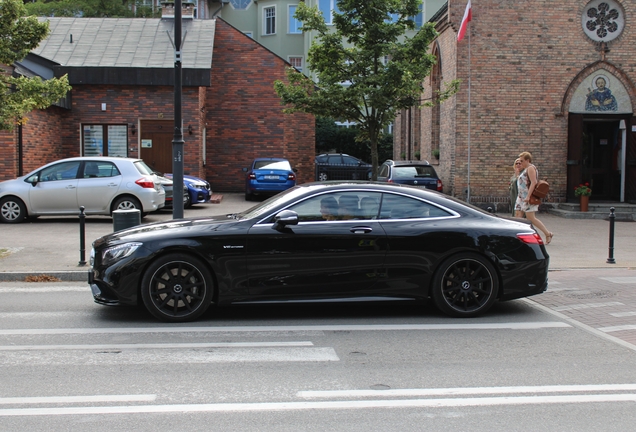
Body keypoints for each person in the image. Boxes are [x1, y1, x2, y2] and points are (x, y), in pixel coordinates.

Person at [516, 152, 553, 244]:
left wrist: (528, 196)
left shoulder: (530, 168)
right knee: (518, 216)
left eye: (522, 161)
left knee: (531, 218)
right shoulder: (525, 169)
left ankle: (547, 233)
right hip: (521, 197)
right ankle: (518, 237)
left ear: (527, 160)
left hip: (527, 197)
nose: (520, 163)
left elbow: (533, 182)